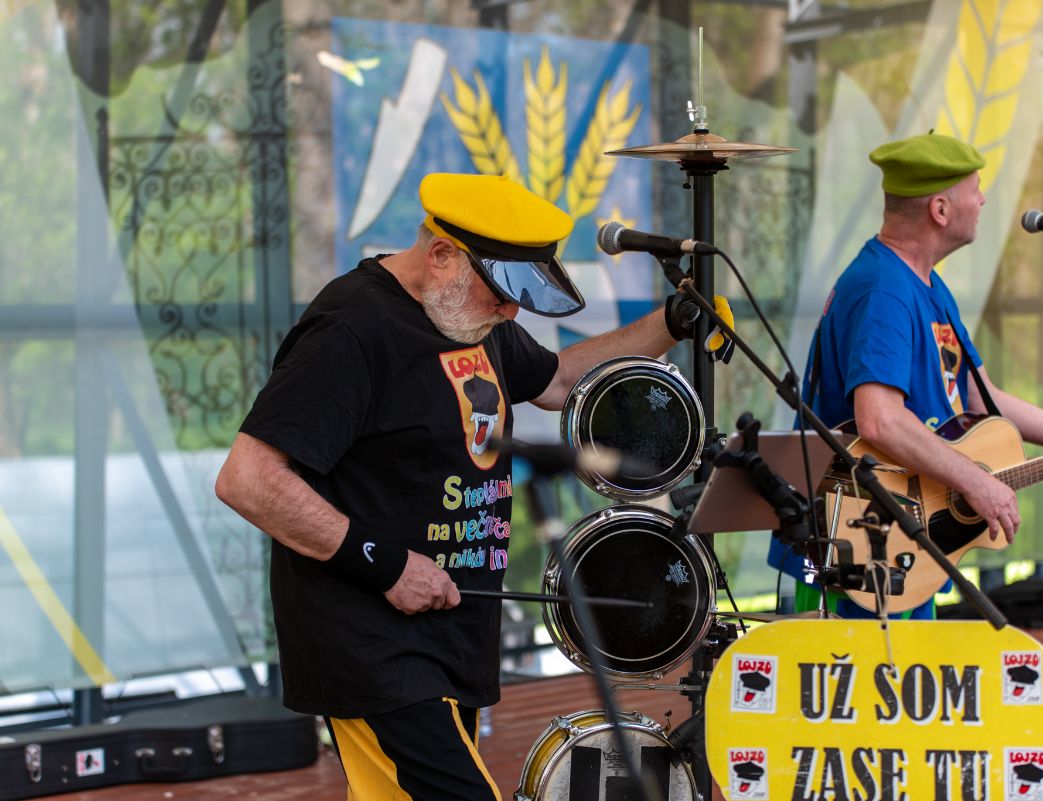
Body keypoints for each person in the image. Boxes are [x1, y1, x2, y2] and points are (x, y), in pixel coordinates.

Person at [214, 173, 696, 801]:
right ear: (442, 255)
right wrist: (385, 564)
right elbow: (248, 479)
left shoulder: (467, 315)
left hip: (449, 635)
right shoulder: (351, 327)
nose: (511, 311)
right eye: (502, 291)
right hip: (371, 645)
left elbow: (557, 381)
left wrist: (672, 322)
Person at [779, 132, 1043, 620]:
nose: (982, 200)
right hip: (858, 547)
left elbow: (982, 400)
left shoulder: (925, 284)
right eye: (975, 189)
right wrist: (975, 482)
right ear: (940, 209)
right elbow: (878, 419)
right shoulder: (884, 290)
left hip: (904, 542)